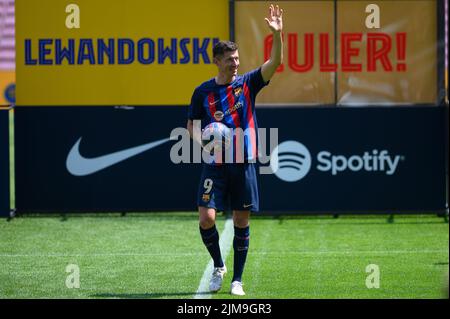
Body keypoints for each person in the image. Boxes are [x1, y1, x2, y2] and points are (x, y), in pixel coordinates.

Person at [187, 4, 283, 296]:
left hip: (244, 161)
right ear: (216, 61)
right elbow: (191, 126)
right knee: (206, 218)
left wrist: (277, 36)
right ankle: (218, 266)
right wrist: (203, 142)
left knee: (242, 220)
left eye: (237, 58)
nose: (235, 63)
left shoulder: (248, 83)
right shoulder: (202, 91)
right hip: (214, 164)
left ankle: (237, 280)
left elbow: (274, 63)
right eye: (229, 59)